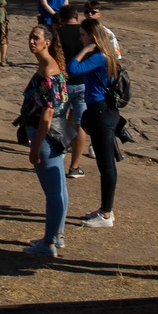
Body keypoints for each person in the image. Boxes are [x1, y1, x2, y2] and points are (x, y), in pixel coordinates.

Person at [17, 24, 70, 257]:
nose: (31, 41)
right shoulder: (46, 66)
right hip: (48, 134)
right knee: (59, 188)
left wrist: (35, 147)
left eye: (36, 38)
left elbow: (48, 113)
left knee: (53, 191)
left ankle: (48, 243)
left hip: (45, 136)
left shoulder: (48, 70)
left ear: (47, 41)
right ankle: (56, 235)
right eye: (30, 37)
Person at [66, 15, 123, 228]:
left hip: (101, 111)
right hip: (101, 110)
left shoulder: (99, 56)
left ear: (92, 36)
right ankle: (104, 209)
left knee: (106, 164)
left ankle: (107, 213)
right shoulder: (106, 55)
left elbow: (73, 69)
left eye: (83, 35)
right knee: (105, 162)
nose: (80, 39)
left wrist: (84, 50)